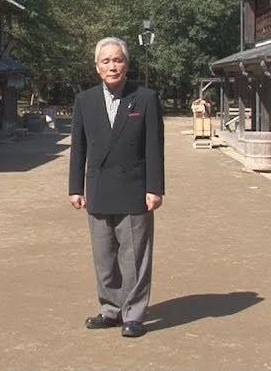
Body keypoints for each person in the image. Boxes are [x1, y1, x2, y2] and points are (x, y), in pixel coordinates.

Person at [68, 37, 165, 338]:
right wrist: (75, 187)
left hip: (134, 188)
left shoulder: (145, 98)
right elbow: (78, 148)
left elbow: (154, 146)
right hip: (98, 187)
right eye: (106, 61)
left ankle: (133, 314)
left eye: (118, 60)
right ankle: (111, 309)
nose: (112, 66)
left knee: (134, 256)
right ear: (97, 67)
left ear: (127, 64)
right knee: (104, 256)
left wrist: (155, 187)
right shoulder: (84, 101)